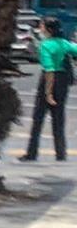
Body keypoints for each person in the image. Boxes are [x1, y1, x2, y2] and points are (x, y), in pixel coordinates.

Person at [22, 16, 75, 162]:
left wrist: (48, 92)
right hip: (63, 81)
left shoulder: (46, 46)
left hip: (48, 81)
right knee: (58, 120)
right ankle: (60, 154)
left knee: (38, 119)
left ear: (49, 30)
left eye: (42, 25)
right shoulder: (64, 43)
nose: (40, 27)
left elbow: (49, 69)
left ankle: (31, 153)